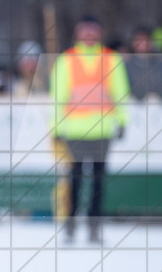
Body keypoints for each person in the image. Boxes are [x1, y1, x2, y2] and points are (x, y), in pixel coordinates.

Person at [50, 16, 130, 244]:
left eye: (92, 31)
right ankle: (71, 226)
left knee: (97, 183)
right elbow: (57, 97)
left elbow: (121, 93)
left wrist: (122, 121)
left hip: (103, 131)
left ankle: (94, 228)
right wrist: (56, 127)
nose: (88, 35)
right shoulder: (66, 60)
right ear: (77, 33)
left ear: (100, 33)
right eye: (84, 31)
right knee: (73, 181)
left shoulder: (111, 59)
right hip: (74, 130)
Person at [121, 27, 162, 102]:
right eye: (139, 40)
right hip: (134, 110)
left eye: (146, 39)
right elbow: (121, 88)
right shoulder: (126, 66)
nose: (143, 43)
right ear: (133, 42)